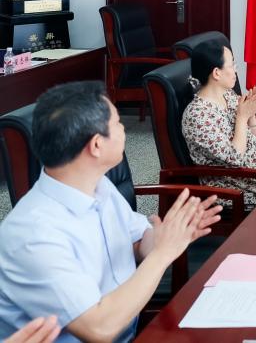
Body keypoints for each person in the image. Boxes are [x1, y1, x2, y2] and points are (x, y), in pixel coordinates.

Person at [0, 81, 221, 342]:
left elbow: (137, 241)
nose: (124, 128)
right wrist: (163, 253)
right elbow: (99, 329)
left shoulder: (98, 185)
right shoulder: (34, 235)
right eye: (117, 123)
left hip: (132, 330)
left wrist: (169, 236)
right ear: (96, 145)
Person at [181, 38, 256, 207]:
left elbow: (255, 139)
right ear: (217, 73)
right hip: (236, 186)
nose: (235, 70)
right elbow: (235, 158)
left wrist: (250, 114)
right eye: (232, 65)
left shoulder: (227, 95)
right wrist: (242, 117)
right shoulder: (198, 115)